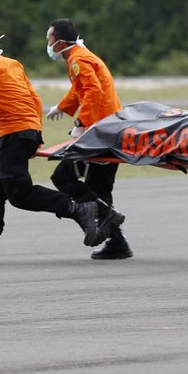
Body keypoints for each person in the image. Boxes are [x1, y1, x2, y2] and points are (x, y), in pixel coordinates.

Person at [0, 20, 123, 264]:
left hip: (14, 133)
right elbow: (34, 98)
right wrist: (36, 134)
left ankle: (79, 210)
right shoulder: (11, 63)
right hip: (23, 131)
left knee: (20, 194)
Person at [44, 18, 132, 260]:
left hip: (102, 130)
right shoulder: (79, 55)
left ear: (60, 43)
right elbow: (80, 89)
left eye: (49, 40)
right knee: (98, 185)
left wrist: (80, 125)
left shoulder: (77, 59)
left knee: (63, 176)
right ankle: (117, 243)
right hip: (108, 127)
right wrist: (62, 107)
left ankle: (105, 214)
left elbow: (93, 91)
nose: (48, 45)